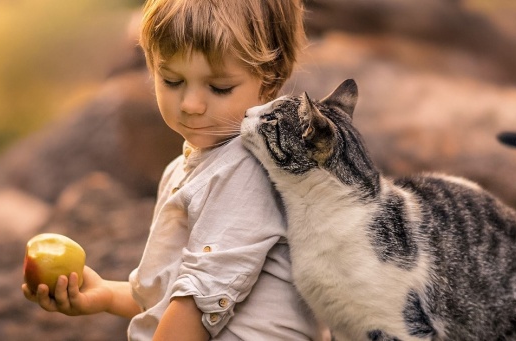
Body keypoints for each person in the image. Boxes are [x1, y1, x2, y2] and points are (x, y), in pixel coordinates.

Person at [22, 0, 322, 339]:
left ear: (268, 83)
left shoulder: (249, 166)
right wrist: (105, 294)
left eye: (219, 87)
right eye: (172, 80)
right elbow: (171, 298)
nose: (191, 105)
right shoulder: (188, 167)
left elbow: (197, 302)